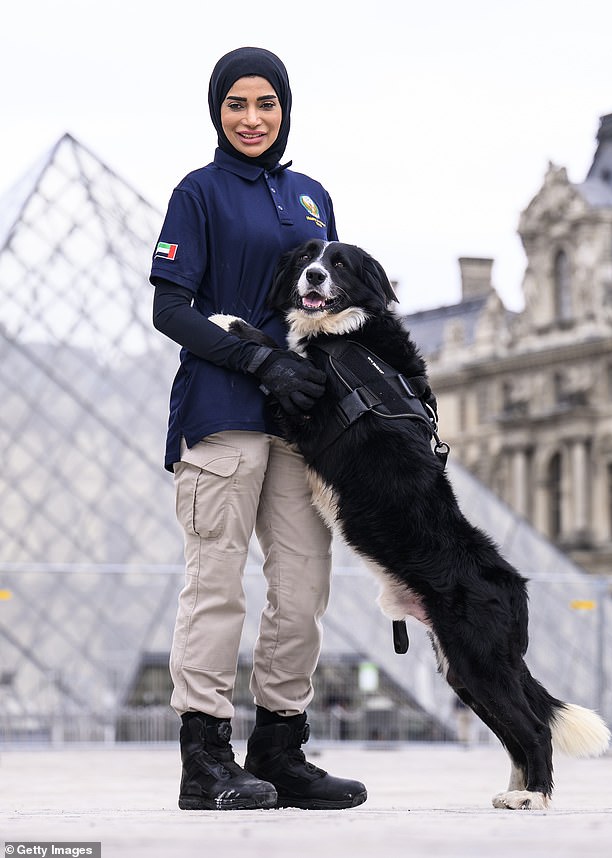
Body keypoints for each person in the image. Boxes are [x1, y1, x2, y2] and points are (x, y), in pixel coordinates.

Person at [150, 46, 367, 812]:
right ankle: (204, 758)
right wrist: (258, 359)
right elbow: (169, 308)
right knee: (218, 586)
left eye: (266, 104)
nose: (252, 118)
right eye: (236, 104)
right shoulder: (198, 192)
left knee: (304, 584)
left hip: (299, 423)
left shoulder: (312, 196)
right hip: (222, 414)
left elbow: (331, 304)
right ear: (217, 111)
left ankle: (280, 747)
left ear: (285, 109)